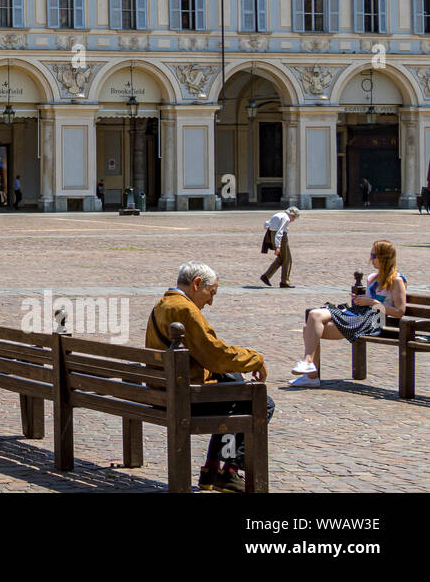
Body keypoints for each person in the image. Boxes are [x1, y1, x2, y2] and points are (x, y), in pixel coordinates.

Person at [145, 261, 273, 492]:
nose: (211, 301)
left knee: (235, 386)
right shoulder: (184, 309)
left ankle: (213, 469)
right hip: (182, 397)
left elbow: (205, 354)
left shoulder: (163, 304)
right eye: (210, 293)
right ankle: (228, 471)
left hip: (163, 391)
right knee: (259, 403)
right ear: (196, 284)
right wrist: (256, 359)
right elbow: (216, 355)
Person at [290, 240, 407, 387]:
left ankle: (311, 376)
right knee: (314, 315)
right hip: (360, 314)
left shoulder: (396, 281)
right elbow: (368, 302)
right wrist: (360, 301)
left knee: (309, 330)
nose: (371, 259)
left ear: (384, 257)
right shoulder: (372, 278)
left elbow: (400, 311)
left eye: (373, 255)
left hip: (375, 321)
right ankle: (308, 364)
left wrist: (372, 303)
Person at [260, 206, 300, 288]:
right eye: (294, 218)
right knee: (287, 259)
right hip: (281, 238)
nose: (293, 220)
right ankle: (284, 281)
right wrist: (278, 246)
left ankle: (266, 276)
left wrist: (271, 231)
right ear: (292, 215)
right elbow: (280, 232)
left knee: (281, 258)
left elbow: (266, 224)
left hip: (271, 234)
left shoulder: (279, 214)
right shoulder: (286, 218)